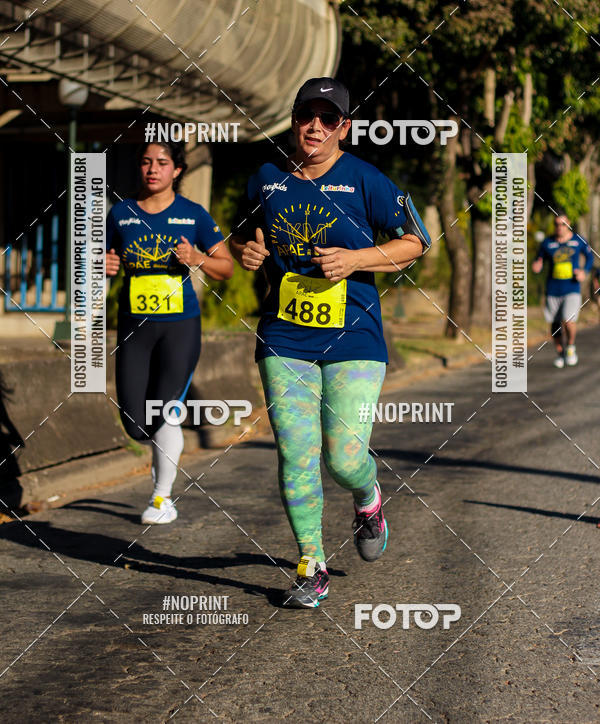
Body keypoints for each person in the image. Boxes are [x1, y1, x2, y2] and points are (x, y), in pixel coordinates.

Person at [230, 77, 430, 608]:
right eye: (305, 116)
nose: (314, 126)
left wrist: (356, 260)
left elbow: (417, 240)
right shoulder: (267, 179)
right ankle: (311, 563)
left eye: (328, 118)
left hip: (355, 339)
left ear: (345, 126)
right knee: (296, 453)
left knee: (343, 458)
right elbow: (242, 234)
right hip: (284, 336)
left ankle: (367, 498)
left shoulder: (366, 179)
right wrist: (249, 252)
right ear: (294, 121)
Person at [106, 140, 233, 523]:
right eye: (146, 161)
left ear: (177, 170)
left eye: (162, 162)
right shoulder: (121, 213)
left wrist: (198, 258)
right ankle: (159, 459)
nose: (152, 168)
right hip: (133, 328)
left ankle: (162, 498)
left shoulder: (192, 214)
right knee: (134, 423)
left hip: (179, 328)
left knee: (164, 410)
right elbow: (101, 260)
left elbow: (226, 267)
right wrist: (104, 265)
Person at [531, 212, 593, 367]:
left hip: (572, 288)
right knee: (554, 324)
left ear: (568, 224)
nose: (559, 227)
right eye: (557, 224)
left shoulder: (578, 241)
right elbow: (538, 259)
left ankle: (571, 346)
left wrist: (584, 271)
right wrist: (536, 265)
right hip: (552, 289)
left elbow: (590, 257)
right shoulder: (547, 243)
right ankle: (560, 353)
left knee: (568, 319)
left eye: (563, 224)